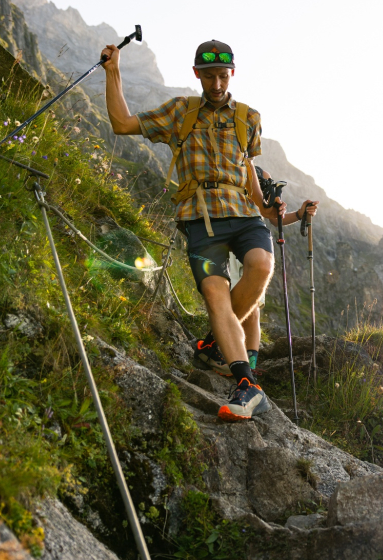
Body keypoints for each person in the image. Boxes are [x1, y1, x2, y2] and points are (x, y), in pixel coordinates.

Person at [100, 39, 312, 421]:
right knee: (215, 292)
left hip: (245, 215)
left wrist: (269, 208)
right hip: (200, 218)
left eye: (223, 75)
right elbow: (122, 123)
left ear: (233, 74)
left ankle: (214, 343)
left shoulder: (249, 117)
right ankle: (247, 385)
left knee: (262, 266)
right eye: (209, 75)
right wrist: (112, 71)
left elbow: (247, 170)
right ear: (197, 74)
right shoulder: (180, 111)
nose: (217, 83)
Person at [196, 167, 317, 374]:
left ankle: (244, 363)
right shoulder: (234, 170)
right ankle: (222, 349)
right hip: (233, 239)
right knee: (235, 295)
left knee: (253, 307)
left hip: (252, 239)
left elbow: (271, 215)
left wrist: (298, 214)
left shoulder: (258, 172)